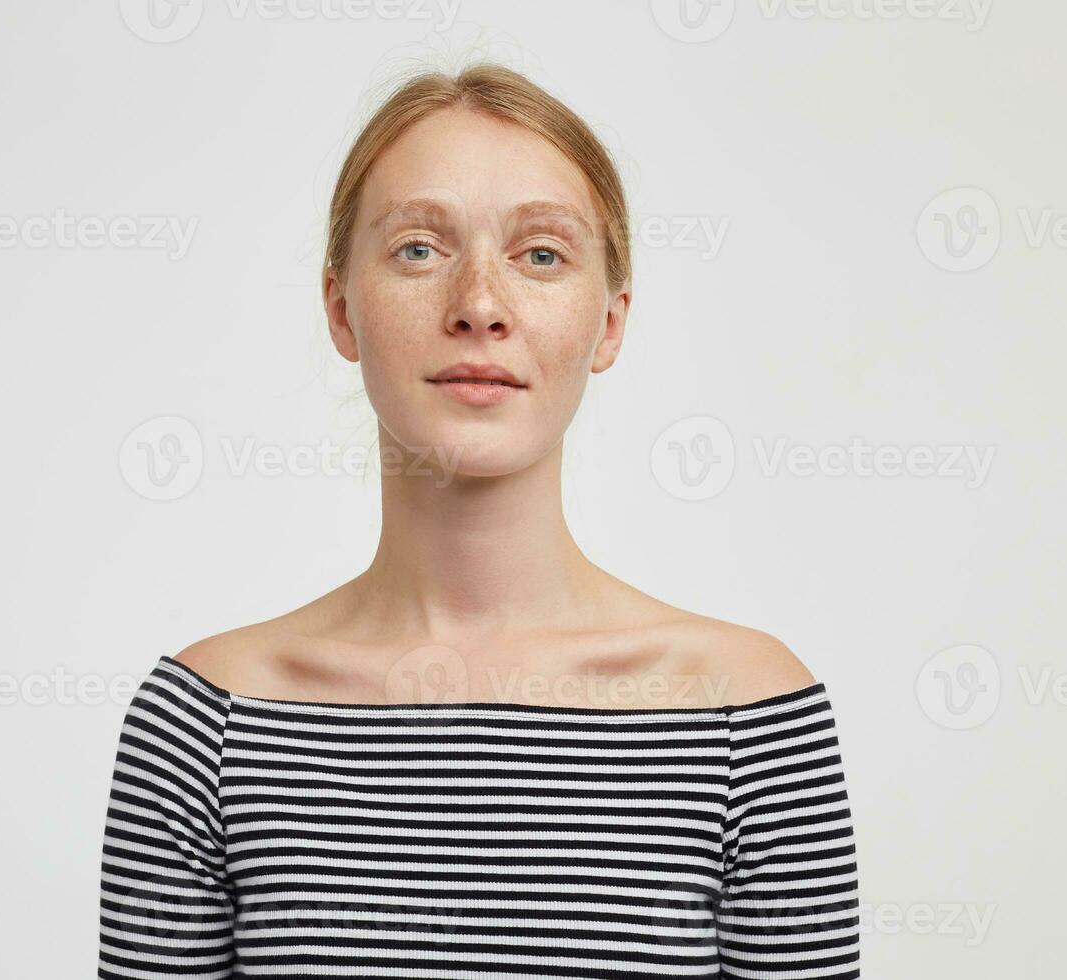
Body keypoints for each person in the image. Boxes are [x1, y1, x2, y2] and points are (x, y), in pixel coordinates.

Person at [98, 62, 861, 978]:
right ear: (341, 307)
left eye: (542, 255)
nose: (480, 307)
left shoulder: (747, 714)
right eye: (420, 248)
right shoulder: (205, 722)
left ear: (610, 322)